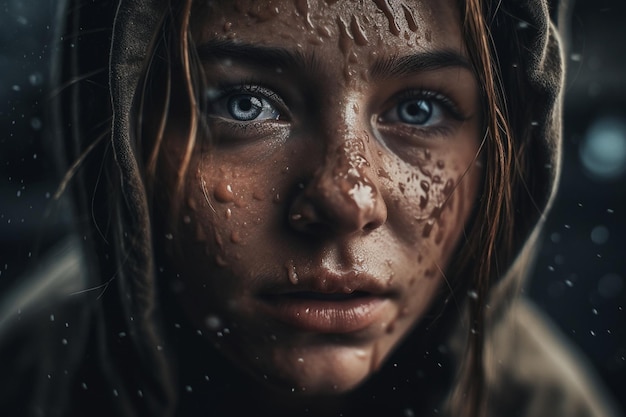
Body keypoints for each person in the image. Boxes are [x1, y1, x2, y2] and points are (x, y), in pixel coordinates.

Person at [0, 0, 622, 416]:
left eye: (419, 109)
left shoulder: (541, 403)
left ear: (505, 155)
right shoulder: (30, 380)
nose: (347, 200)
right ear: (124, 135)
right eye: (245, 104)